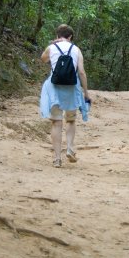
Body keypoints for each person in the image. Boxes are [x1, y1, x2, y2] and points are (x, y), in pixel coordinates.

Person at [40, 24, 91, 167]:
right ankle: (69, 148)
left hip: (54, 87)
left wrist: (51, 45)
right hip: (71, 87)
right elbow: (81, 72)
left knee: (56, 122)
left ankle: (57, 158)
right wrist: (86, 92)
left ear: (57, 36)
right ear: (71, 37)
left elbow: (43, 59)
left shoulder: (51, 48)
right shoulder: (76, 49)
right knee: (70, 120)